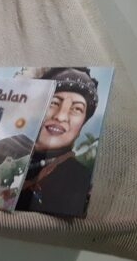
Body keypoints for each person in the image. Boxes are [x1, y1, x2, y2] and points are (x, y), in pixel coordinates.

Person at [17, 66, 98, 217]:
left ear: (82, 124)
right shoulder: (5, 151)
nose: (60, 116)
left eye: (77, 109)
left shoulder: (78, 178)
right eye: (53, 103)